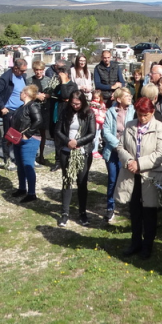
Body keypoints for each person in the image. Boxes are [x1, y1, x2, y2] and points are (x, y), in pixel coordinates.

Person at [116, 97, 162, 259]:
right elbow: (120, 146)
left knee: (149, 212)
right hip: (132, 175)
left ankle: (147, 246)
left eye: (145, 115)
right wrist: (129, 161)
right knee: (134, 211)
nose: (142, 118)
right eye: (139, 114)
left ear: (152, 112)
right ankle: (135, 243)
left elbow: (161, 153)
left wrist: (139, 164)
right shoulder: (130, 125)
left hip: (150, 176)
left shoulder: (160, 128)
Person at [55, 91, 97, 227]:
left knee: (82, 182)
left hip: (83, 152)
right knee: (67, 181)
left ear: (82, 102)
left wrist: (78, 142)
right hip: (66, 151)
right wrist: (68, 142)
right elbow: (58, 130)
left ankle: (82, 212)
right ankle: (64, 213)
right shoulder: (65, 112)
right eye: (73, 103)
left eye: (77, 104)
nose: (75, 106)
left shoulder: (89, 113)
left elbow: (92, 133)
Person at [102, 88, 135, 224]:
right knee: (112, 179)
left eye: (130, 95)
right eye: (126, 96)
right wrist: (118, 145)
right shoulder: (111, 112)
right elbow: (106, 132)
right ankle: (110, 207)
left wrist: (124, 148)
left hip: (128, 151)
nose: (130, 97)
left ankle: (130, 205)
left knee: (128, 179)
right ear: (119, 99)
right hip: (113, 151)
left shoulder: (133, 111)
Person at [9, 84, 43, 203]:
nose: (20, 93)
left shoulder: (32, 106)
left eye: (22, 92)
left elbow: (38, 120)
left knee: (28, 165)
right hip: (18, 139)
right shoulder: (21, 107)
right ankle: (22, 188)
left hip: (30, 140)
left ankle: (32, 193)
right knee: (20, 165)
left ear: (26, 94)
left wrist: (28, 134)